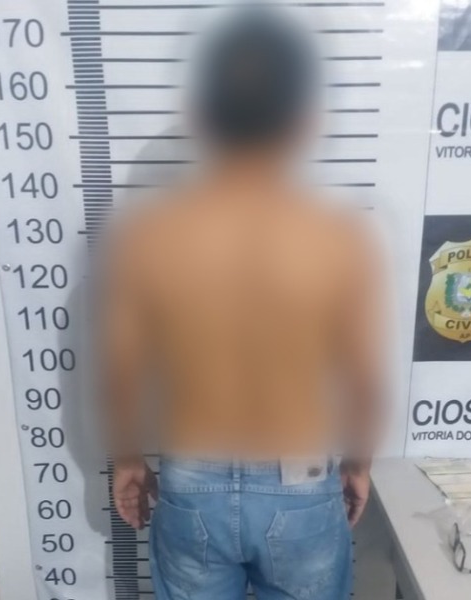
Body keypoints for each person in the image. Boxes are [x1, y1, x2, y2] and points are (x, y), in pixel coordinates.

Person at [96, 7, 388, 599]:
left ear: (200, 117)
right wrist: (357, 464)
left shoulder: (149, 238)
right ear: (305, 122)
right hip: (301, 483)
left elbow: (120, 368)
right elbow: (364, 378)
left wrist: (127, 460)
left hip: (191, 481)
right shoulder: (336, 240)